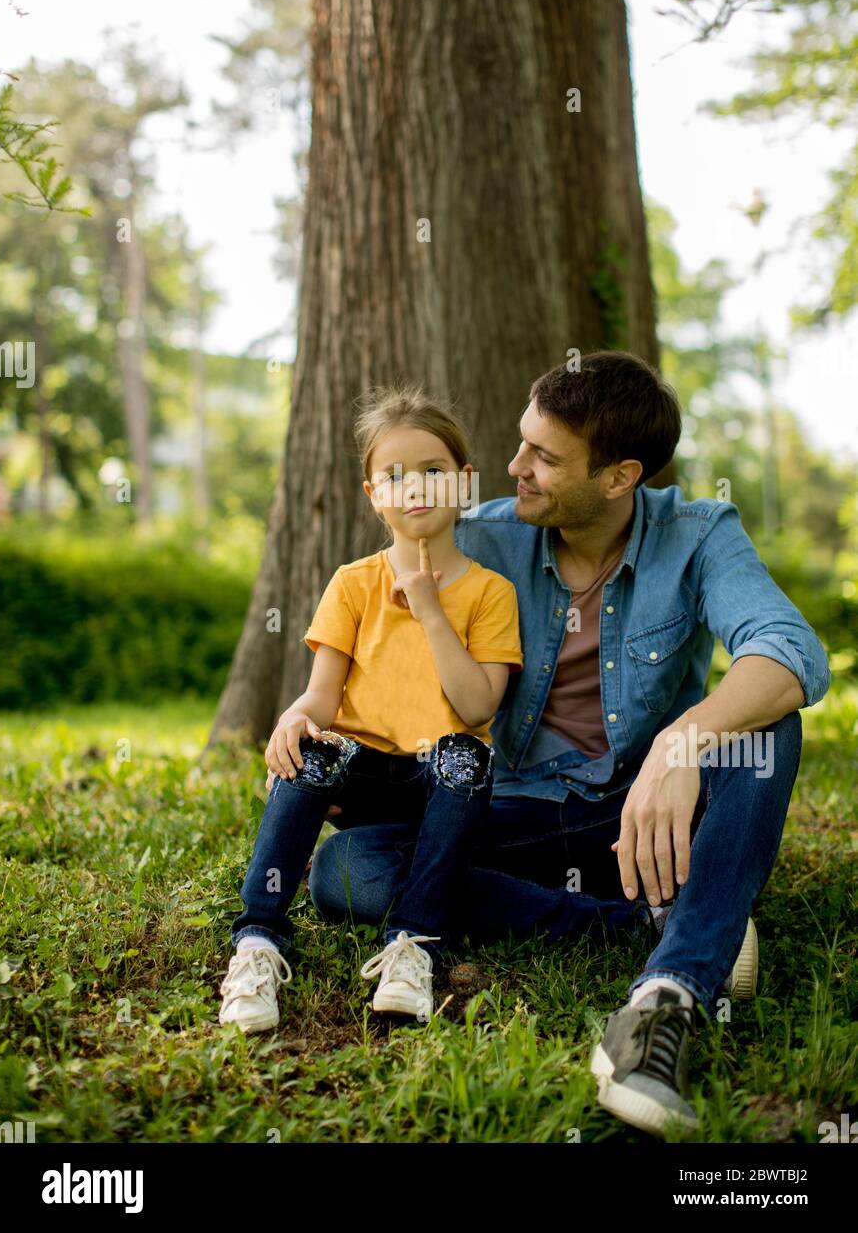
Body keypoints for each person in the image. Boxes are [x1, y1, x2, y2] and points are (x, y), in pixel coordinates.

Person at [309, 351, 830, 1137]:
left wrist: (681, 742)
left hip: (632, 812)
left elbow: (791, 652)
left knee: (765, 730)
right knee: (345, 868)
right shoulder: (477, 538)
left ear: (620, 477)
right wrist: (338, 738)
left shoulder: (698, 534)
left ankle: (668, 1000)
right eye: (523, 444)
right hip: (504, 808)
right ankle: (646, 920)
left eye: (544, 458)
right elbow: (377, 651)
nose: (515, 468)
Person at [219, 384, 648, 1034]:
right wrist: (294, 716)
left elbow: (477, 706)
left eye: (432, 471)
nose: (414, 486)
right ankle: (258, 939)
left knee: (462, 753)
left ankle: (413, 944)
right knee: (312, 749)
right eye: (393, 475)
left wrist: (428, 609)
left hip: (443, 784)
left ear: (464, 483)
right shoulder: (353, 583)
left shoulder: (488, 593)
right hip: (364, 776)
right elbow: (323, 695)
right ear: (373, 496)